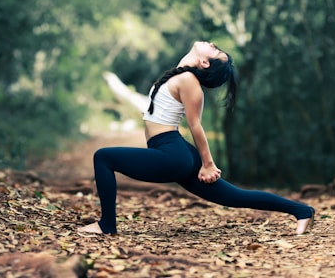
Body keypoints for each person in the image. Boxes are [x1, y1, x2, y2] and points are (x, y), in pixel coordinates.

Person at [78, 41, 315, 236]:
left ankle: (107, 225)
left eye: (214, 50)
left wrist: (208, 163)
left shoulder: (189, 82)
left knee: (103, 157)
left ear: (204, 62)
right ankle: (302, 210)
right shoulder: (179, 75)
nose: (211, 44)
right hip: (174, 152)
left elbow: (195, 126)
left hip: (172, 153)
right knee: (234, 196)